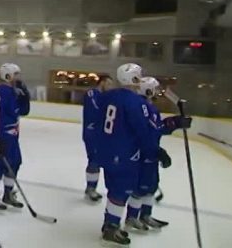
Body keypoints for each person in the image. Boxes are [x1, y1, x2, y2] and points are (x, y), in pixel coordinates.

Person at [96, 63, 159, 246]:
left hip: (107, 151)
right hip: (124, 153)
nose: (140, 81)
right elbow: (142, 131)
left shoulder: (107, 96)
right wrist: (153, 151)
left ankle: (109, 224)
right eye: (138, 77)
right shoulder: (135, 102)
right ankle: (111, 227)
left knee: (114, 189)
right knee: (121, 191)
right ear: (133, 79)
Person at [124, 77, 191, 231]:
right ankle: (132, 217)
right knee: (141, 187)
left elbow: (157, 128)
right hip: (142, 153)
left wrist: (175, 122)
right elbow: (145, 133)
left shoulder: (149, 106)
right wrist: (157, 151)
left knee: (151, 186)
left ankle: (145, 215)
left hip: (150, 152)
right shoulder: (141, 106)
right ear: (148, 89)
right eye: (155, 88)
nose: (157, 92)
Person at [0, 63, 31, 211]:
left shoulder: (12, 91)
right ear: (8, 75)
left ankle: (8, 194)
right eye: (16, 74)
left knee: (15, 162)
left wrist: (25, 97)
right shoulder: (1, 91)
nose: (18, 77)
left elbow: (23, 111)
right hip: (2, 135)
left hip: (13, 134)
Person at [82, 74, 113, 203]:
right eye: (109, 83)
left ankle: (92, 186)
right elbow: (96, 110)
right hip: (91, 133)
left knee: (101, 160)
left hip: (101, 134)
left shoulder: (105, 97)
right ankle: (90, 188)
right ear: (102, 82)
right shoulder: (91, 93)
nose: (110, 87)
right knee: (94, 160)